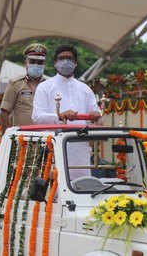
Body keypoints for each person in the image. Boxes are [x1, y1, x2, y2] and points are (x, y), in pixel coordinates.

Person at [32, 45, 101, 179]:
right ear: (55, 63)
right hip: (54, 145)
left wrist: (95, 116)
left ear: (75, 63)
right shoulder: (44, 87)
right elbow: (37, 117)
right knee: (56, 189)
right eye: (61, 58)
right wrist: (59, 116)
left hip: (80, 147)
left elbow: (97, 113)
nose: (65, 62)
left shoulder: (85, 89)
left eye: (69, 58)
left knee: (82, 184)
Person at [0, 43, 48, 133]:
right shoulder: (15, 84)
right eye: (32, 61)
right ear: (26, 63)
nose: (36, 65)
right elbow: (4, 113)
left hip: (45, 137)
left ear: (44, 64)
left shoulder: (49, 85)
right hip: (21, 137)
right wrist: (7, 137)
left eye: (40, 62)